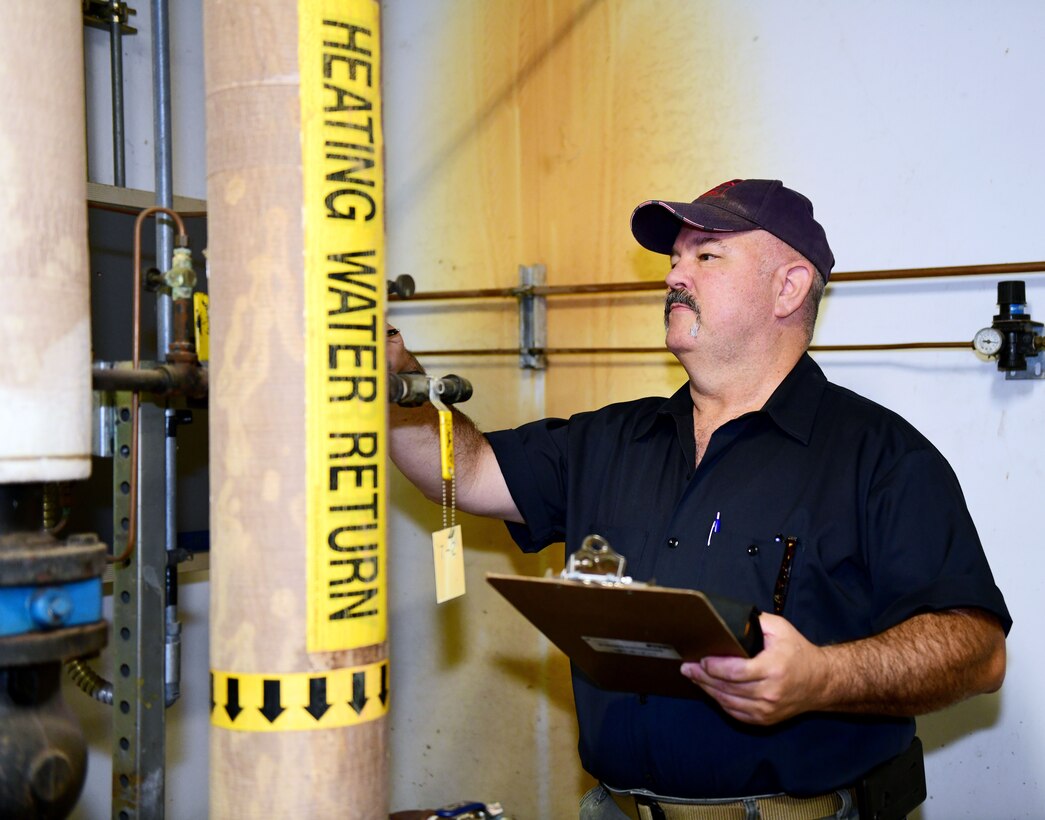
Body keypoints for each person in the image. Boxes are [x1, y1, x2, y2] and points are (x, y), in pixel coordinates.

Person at [388, 179, 1010, 820]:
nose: (674, 277)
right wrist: (394, 379)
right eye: (674, 259)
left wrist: (820, 676)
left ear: (788, 287)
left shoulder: (880, 457)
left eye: (706, 255)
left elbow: (978, 651)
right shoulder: (611, 439)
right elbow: (464, 474)